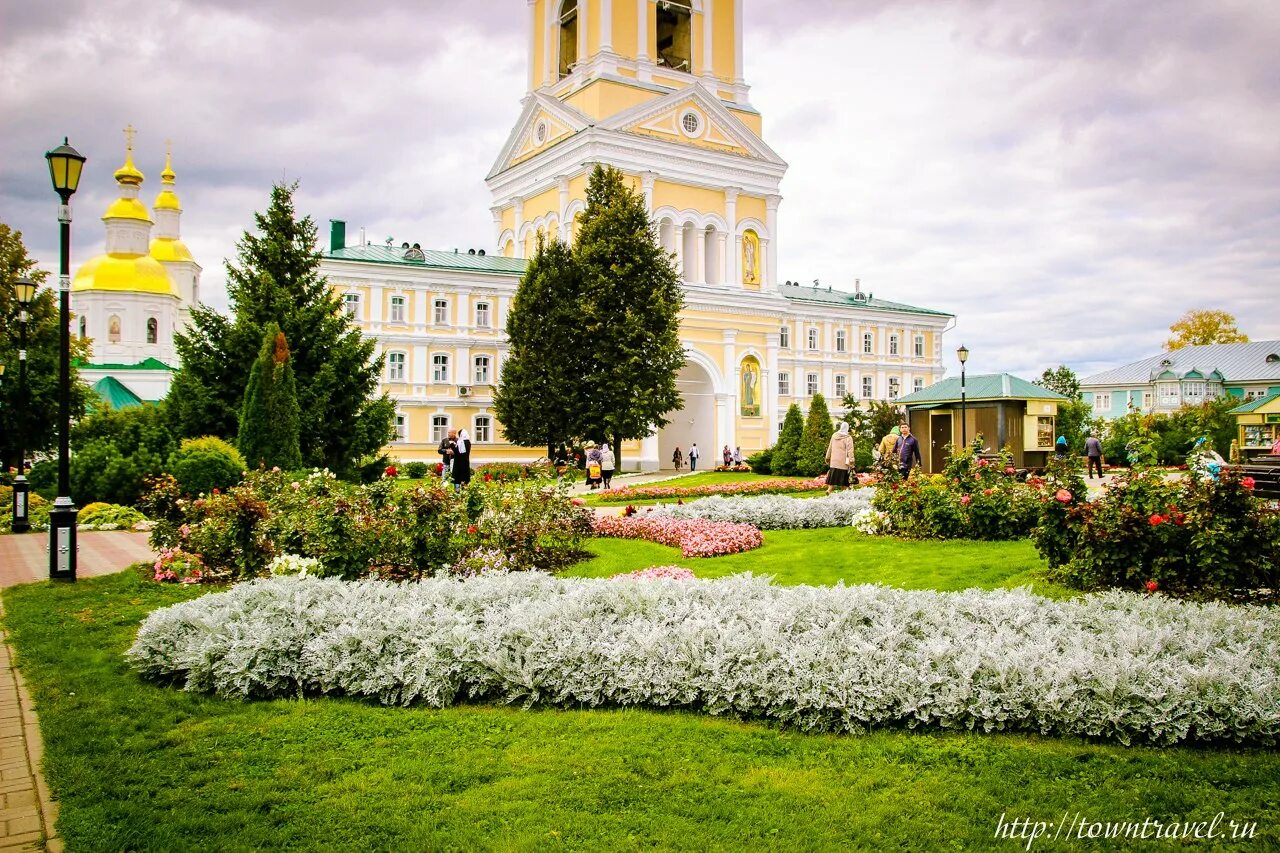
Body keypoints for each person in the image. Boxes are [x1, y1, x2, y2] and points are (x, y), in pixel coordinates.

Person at [824, 422, 855, 493]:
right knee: (844, 481)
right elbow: (850, 450)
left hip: (834, 462)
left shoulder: (834, 435)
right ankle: (844, 494)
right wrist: (852, 460)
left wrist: (827, 457)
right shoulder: (848, 438)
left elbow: (830, 448)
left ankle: (829, 490)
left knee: (833, 479)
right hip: (843, 462)